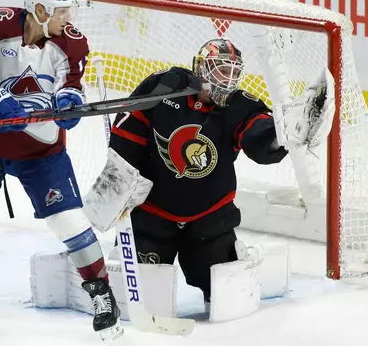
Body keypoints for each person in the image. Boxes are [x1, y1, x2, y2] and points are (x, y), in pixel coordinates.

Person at [0, 0, 122, 338]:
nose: (68, 18)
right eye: (61, 11)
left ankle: (102, 294)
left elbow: (70, 86)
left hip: (41, 152)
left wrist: (70, 102)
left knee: (69, 223)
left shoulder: (71, 43)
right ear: (39, 9)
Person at [103, 38, 289, 306]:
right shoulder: (165, 86)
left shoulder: (240, 105)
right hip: (153, 215)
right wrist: (120, 179)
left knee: (227, 300)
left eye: (235, 73)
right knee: (143, 299)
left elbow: (259, 137)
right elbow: (127, 132)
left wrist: (281, 135)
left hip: (210, 219)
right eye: (222, 71)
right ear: (202, 68)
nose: (229, 80)